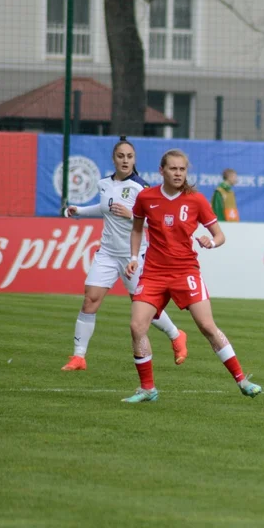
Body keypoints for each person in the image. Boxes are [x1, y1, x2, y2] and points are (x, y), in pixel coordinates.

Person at [123, 149, 262, 403]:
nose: (178, 173)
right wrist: (133, 258)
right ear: (161, 171)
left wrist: (211, 242)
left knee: (208, 327)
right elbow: (136, 229)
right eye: (173, 169)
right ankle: (147, 388)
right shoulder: (146, 197)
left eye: (182, 169)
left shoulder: (196, 200)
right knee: (137, 326)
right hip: (153, 272)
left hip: (185, 272)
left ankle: (242, 380)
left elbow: (220, 235)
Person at [61, 137, 187, 371]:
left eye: (129, 156)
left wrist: (132, 215)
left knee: (145, 308)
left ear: (134, 159)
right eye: (121, 156)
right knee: (90, 300)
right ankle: (79, 356)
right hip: (107, 253)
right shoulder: (103, 184)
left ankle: (176, 334)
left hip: (134, 257)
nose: (125, 160)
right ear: (114, 159)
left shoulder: (142, 188)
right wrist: (79, 211)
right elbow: (104, 208)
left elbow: (156, 222)